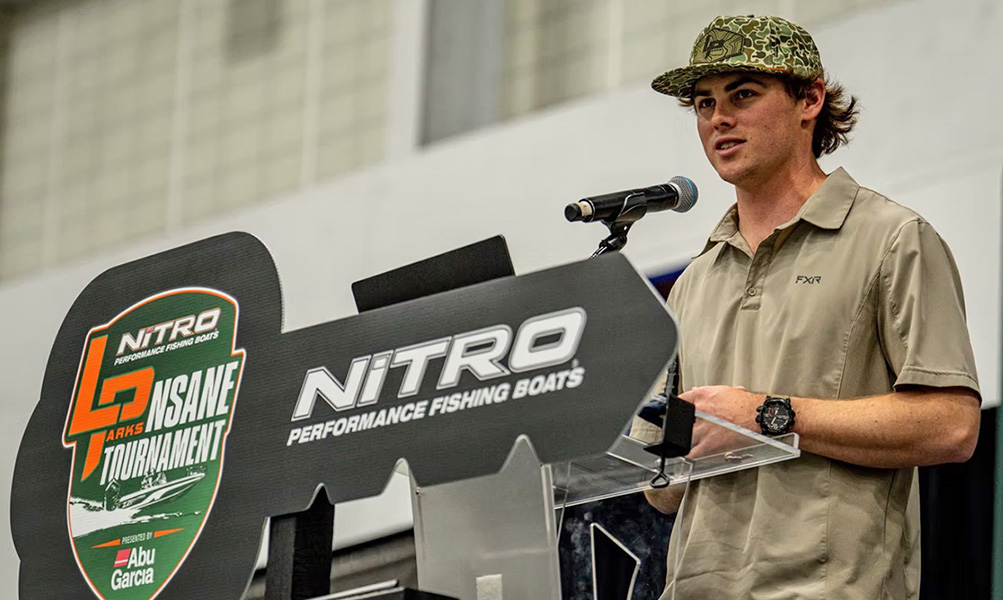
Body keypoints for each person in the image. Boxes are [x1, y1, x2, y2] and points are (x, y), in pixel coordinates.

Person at [634, 14, 981, 599]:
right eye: (704, 103)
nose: (719, 118)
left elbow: (951, 426)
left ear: (810, 100)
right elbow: (661, 491)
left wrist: (767, 415)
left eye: (743, 94)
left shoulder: (893, 238)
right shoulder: (693, 281)